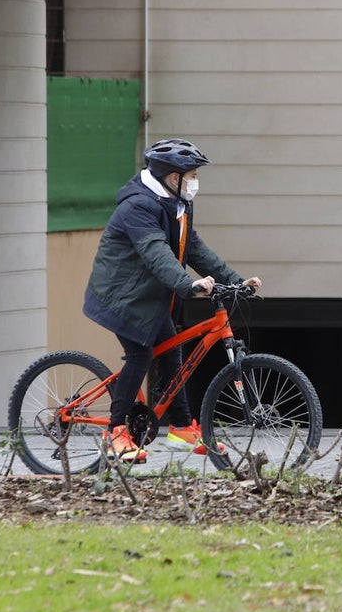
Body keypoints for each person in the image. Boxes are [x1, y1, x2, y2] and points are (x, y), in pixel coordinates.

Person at [83, 138, 262, 463]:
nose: (195, 182)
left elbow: (194, 248)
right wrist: (187, 284)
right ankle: (114, 432)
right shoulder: (138, 206)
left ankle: (180, 427)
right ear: (172, 177)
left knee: (173, 351)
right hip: (121, 296)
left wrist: (236, 281)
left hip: (149, 296)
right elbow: (156, 254)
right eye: (191, 175)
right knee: (141, 355)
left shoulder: (177, 204)